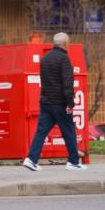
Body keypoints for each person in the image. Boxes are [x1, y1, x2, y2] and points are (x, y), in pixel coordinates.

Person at [22, 32, 85, 171]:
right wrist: (70, 103)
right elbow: (68, 83)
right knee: (69, 131)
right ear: (64, 44)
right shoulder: (64, 59)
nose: (68, 46)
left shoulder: (45, 59)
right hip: (60, 103)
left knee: (41, 132)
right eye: (68, 43)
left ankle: (31, 159)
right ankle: (73, 162)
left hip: (45, 102)